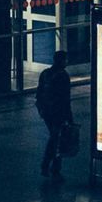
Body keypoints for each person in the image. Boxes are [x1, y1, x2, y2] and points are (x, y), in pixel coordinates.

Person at [36, 50, 73, 178]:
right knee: (56, 138)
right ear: (62, 61)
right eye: (66, 60)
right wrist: (70, 118)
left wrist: (40, 109)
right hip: (58, 113)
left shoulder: (45, 74)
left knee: (55, 137)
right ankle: (50, 166)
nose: (67, 62)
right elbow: (66, 99)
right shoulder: (63, 76)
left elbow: (39, 93)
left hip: (47, 112)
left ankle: (52, 167)